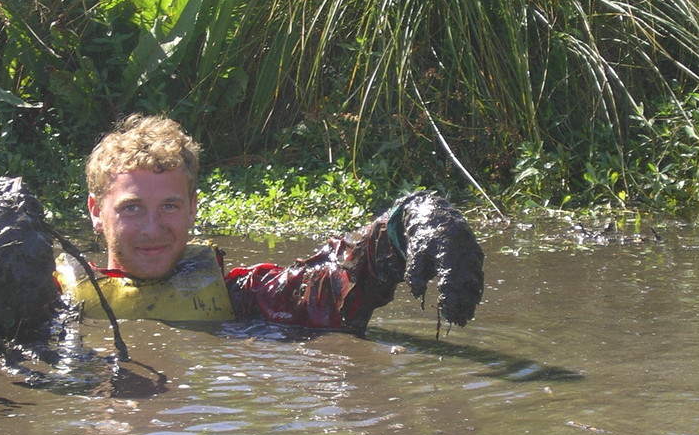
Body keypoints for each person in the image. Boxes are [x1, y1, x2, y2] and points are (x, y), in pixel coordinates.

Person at [55, 114, 484, 332]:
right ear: (96, 211)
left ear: (192, 209)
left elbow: (330, 286)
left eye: (169, 206)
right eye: (131, 208)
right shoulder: (49, 298)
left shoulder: (242, 298)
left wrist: (405, 222)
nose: (153, 227)